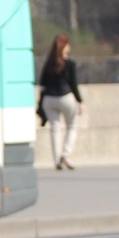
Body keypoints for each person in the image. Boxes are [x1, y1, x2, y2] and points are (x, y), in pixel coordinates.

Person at [37, 34, 83, 171]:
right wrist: (80, 101)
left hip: (49, 99)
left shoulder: (48, 64)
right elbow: (73, 84)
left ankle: (56, 159)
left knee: (55, 128)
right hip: (65, 97)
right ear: (65, 47)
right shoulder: (69, 64)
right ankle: (66, 154)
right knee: (72, 125)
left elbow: (42, 84)